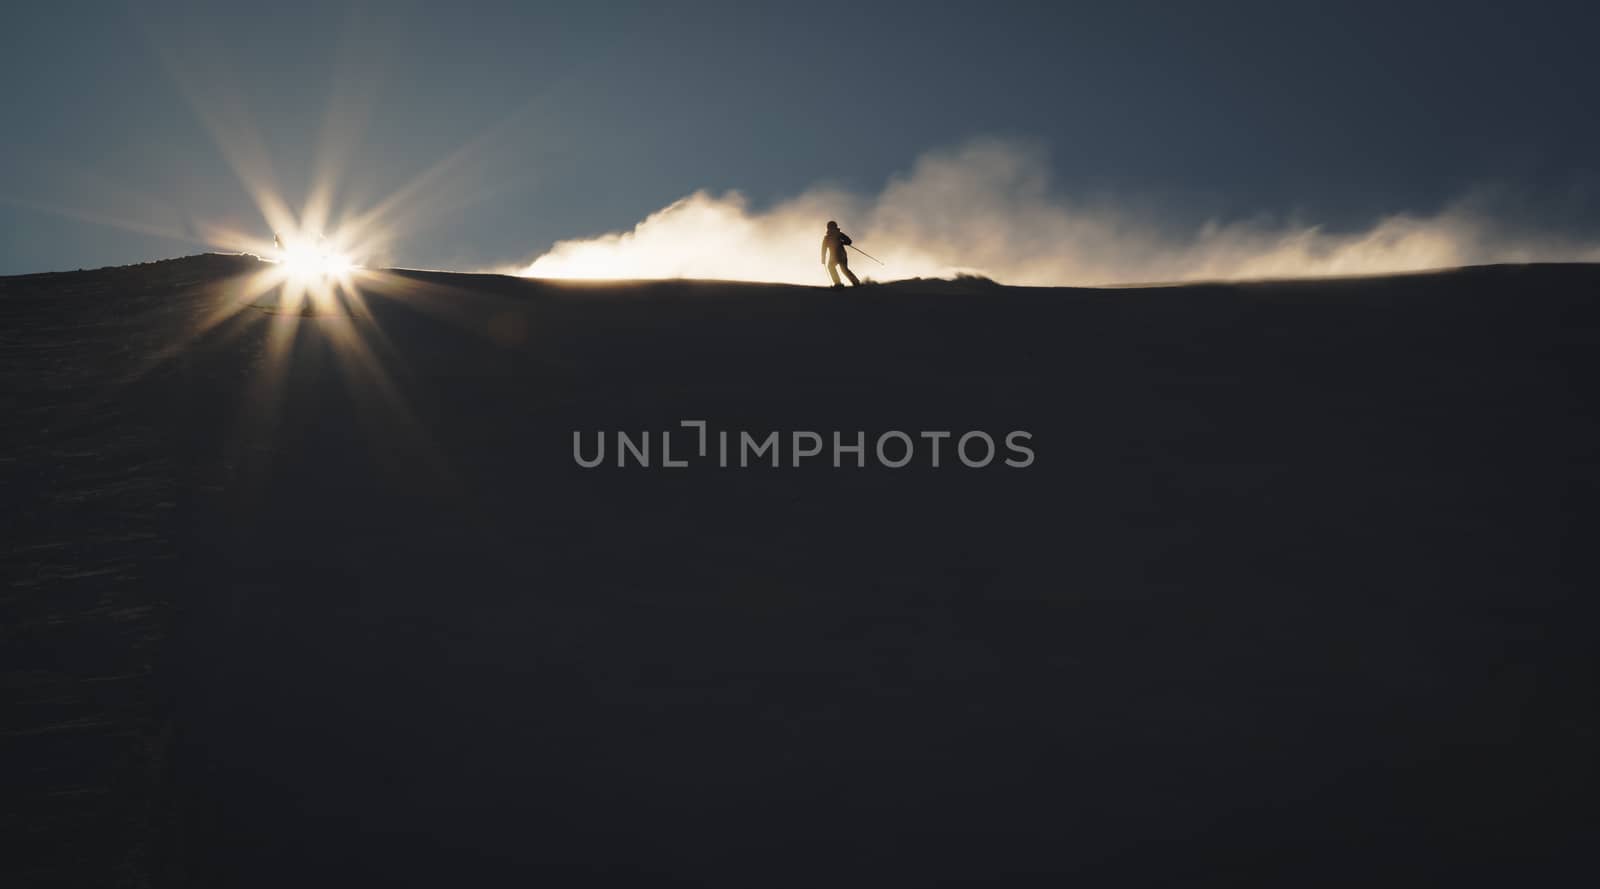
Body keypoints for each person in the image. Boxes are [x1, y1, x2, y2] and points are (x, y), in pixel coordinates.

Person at [821, 220, 860, 287]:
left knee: (840, 268)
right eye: (830, 228)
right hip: (838, 255)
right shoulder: (832, 236)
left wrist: (842, 242)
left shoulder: (833, 236)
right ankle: (854, 282)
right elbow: (824, 248)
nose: (831, 229)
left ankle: (839, 283)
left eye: (832, 227)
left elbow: (849, 241)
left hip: (839, 255)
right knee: (842, 269)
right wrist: (823, 258)